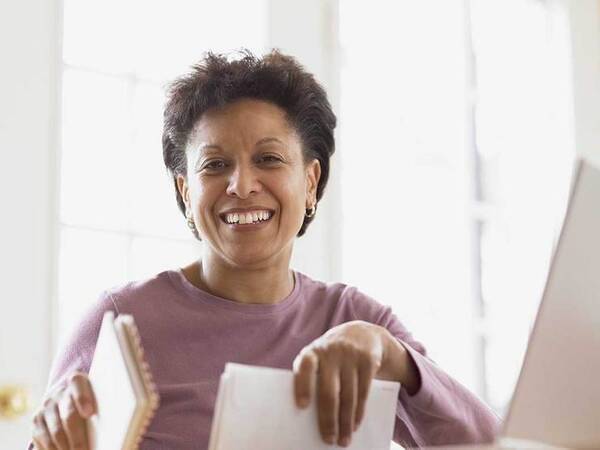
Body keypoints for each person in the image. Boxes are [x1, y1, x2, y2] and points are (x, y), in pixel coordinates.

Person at [30, 49, 500, 450]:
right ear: (185, 191)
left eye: (268, 159)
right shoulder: (118, 322)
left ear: (310, 182)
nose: (242, 185)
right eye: (214, 165)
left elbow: (489, 444)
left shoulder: (357, 322)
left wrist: (394, 357)